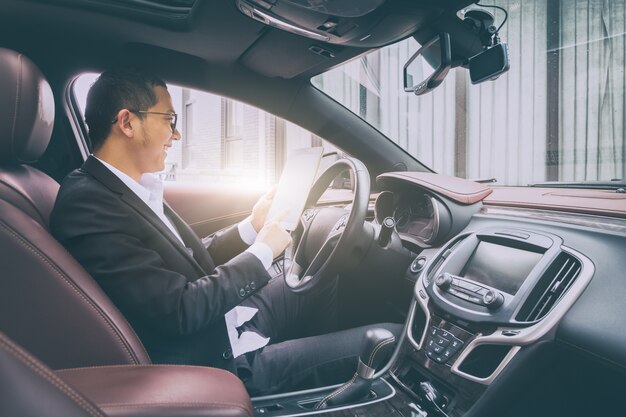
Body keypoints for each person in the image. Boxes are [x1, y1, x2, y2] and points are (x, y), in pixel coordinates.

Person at [50, 69, 401, 395]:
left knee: (322, 275)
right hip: (216, 363)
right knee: (393, 339)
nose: (177, 134)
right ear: (127, 122)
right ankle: (311, 382)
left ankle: (316, 381)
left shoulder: (125, 187)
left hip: (225, 321)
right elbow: (180, 310)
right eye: (169, 119)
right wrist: (263, 251)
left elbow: (183, 261)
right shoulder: (89, 205)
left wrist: (252, 228)